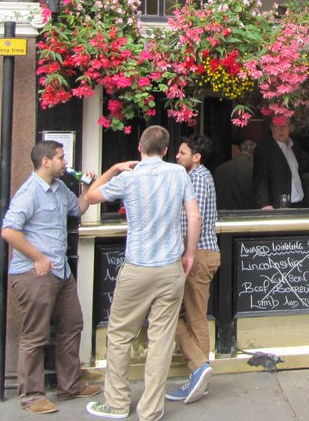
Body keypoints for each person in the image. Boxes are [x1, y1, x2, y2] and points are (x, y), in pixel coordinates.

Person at [83, 126, 201, 421]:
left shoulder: (129, 177)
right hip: (170, 267)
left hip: (137, 266)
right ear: (165, 150)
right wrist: (189, 254)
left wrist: (113, 168)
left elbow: (92, 196)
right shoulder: (178, 174)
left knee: (120, 335)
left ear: (139, 147)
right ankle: (150, 410)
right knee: (161, 339)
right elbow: (194, 215)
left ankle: (117, 404)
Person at [0, 140, 102, 414]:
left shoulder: (59, 188)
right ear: (45, 161)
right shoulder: (29, 192)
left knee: (72, 324)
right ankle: (32, 396)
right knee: (35, 336)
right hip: (35, 274)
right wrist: (37, 257)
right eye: (60, 157)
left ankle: (70, 386)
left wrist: (87, 188)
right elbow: (9, 231)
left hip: (60, 271)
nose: (65, 161)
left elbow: (78, 210)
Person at [167, 135, 220, 404]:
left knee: (187, 317)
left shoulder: (197, 178)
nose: (177, 156)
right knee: (188, 316)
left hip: (196, 255)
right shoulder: (198, 175)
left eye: (182, 152)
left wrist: (184, 253)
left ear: (196, 157)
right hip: (199, 254)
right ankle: (200, 371)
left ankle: (199, 371)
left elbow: (191, 218)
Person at [253, 116, 304, 209]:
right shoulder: (264, 148)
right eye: (277, 126)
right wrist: (264, 204)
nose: (281, 130)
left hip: (299, 203)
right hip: (277, 206)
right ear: (271, 128)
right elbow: (260, 179)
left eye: (284, 126)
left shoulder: (294, 146)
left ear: (290, 128)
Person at [213, 139, 256, 210]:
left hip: (221, 215)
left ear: (238, 151)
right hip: (246, 215)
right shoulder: (254, 169)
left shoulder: (220, 168)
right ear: (255, 153)